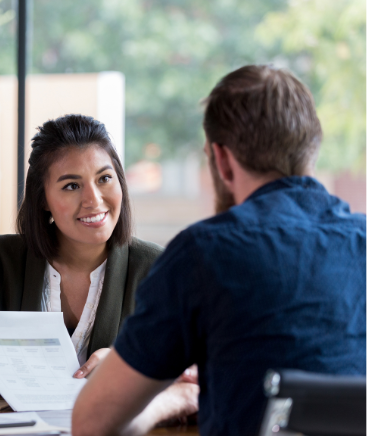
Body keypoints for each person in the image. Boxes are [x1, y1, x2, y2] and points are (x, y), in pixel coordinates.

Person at [72, 65, 366, 436]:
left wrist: (174, 399)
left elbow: (91, 423)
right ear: (312, 147)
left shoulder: (204, 253)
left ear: (222, 160)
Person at [0, 114, 198, 423]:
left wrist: (129, 367)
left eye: (104, 179)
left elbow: (195, 377)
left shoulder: (157, 269)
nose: (93, 200)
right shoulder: (0, 261)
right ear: (43, 199)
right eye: (71, 186)